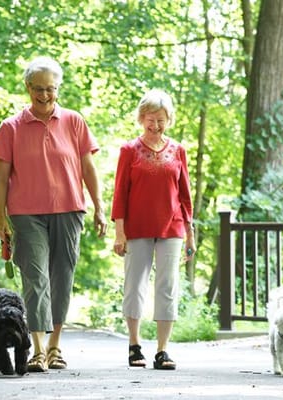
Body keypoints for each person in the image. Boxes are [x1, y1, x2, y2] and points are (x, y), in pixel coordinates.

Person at [0, 56, 107, 373]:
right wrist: (1, 219)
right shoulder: (11, 127)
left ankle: (55, 347)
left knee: (62, 277)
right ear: (27, 87)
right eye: (37, 89)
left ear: (58, 88)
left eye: (50, 89)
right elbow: (0, 178)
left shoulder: (74, 121)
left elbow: (88, 167)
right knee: (35, 277)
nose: (44, 95)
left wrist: (99, 206)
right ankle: (37, 348)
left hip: (69, 209)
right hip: (26, 214)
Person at [111, 89, 195, 371]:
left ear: (168, 119)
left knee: (167, 286)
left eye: (160, 119)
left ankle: (163, 349)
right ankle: (134, 344)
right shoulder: (129, 150)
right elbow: (120, 192)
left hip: (172, 227)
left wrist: (190, 234)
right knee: (135, 286)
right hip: (136, 228)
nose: (155, 125)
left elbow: (185, 195)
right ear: (141, 118)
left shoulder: (178, 150)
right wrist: (119, 232)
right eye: (150, 119)